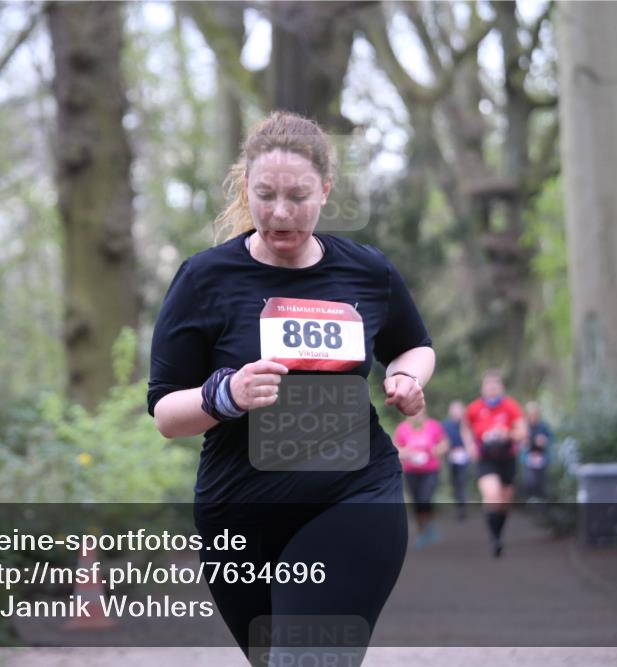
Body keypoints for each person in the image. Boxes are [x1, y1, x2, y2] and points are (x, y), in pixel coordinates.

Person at [148, 111, 435, 665]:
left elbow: (415, 344)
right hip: (239, 514)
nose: (280, 213)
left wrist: (405, 376)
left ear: (326, 190)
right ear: (245, 188)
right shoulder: (205, 279)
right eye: (265, 195)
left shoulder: (366, 272)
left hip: (355, 495)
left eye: (298, 196)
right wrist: (223, 395)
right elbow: (165, 411)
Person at [463, 370, 527, 558]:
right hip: (486, 459)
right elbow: (465, 427)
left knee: (505, 501)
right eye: (488, 385)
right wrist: (470, 447)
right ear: (483, 388)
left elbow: (522, 432)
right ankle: (494, 539)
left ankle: (499, 534)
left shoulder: (511, 407)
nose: (492, 388)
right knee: (492, 495)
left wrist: (506, 434)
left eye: (495, 384)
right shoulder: (474, 408)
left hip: (507, 458)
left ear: (501, 387)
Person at [394, 406, 446, 548]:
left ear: (424, 412)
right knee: (417, 502)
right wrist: (409, 453)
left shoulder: (433, 426)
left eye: (419, 411)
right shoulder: (402, 428)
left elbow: (444, 444)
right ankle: (422, 530)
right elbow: (396, 449)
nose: (417, 415)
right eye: (413, 412)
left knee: (426, 498)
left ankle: (428, 526)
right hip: (411, 471)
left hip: (430, 470)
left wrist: (437, 450)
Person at [441, 400, 470, 520]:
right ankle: (459, 505)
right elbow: (443, 440)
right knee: (454, 483)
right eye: (454, 410)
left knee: (462, 482)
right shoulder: (445, 425)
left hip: (465, 456)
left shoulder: (466, 424)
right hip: (451, 457)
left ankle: (462, 508)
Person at [522, 402, 554, 502]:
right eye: (531, 414)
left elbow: (551, 439)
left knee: (542, 481)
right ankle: (530, 498)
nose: (533, 417)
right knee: (530, 481)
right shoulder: (523, 426)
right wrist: (524, 443)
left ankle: (541, 501)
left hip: (542, 458)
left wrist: (544, 441)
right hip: (528, 458)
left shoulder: (543, 426)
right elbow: (519, 442)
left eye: (535, 414)